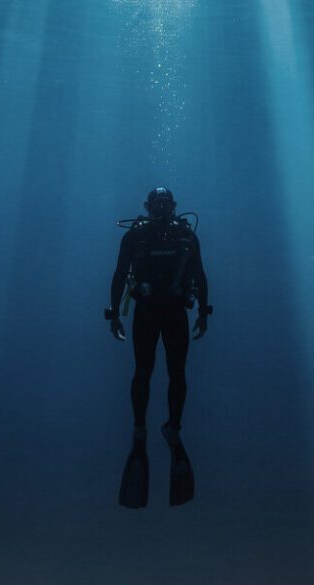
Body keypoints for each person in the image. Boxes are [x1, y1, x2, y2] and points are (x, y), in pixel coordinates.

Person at [107, 187, 211, 507]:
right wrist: (114, 315)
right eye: (158, 204)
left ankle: (172, 427)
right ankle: (140, 429)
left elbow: (200, 275)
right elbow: (120, 273)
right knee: (144, 371)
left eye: (167, 204)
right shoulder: (135, 238)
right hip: (147, 314)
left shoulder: (186, 237)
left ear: (175, 207)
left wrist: (203, 313)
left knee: (177, 373)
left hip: (175, 314)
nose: (162, 209)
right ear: (148, 207)